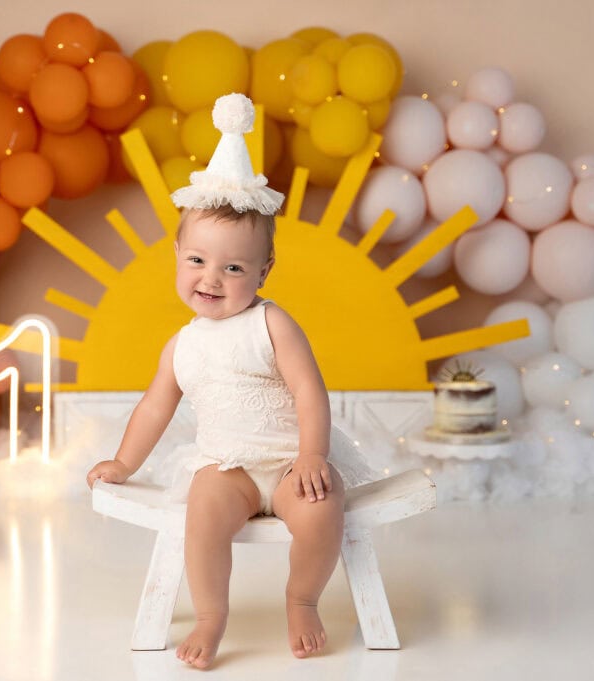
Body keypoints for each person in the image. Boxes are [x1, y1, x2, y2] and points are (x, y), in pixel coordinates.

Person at [86, 93, 350, 669]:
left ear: (263, 270)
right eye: (198, 261)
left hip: (287, 464)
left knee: (322, 510)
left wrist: (312, 454)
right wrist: (125, 464)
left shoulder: (271, 322)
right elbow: (155, 408)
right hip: (227, 468)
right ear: (177, 255)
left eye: (233, 267)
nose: (212, 278)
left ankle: (301, 598)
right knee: (201, 516)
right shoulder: (182, 345)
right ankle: (211, 614)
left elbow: (310, 389)